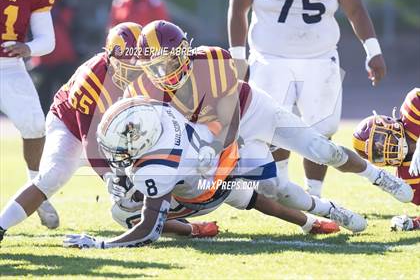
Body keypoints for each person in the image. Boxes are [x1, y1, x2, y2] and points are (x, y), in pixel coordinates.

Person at [126, 20, 412, 231]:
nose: (164, 72)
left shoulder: (212, 60)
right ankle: (330, 210)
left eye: (169, 61)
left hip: (253, 111)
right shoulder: (152, 94)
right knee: (276, 190)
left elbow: (232, 118)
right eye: (156, 66)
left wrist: (212, 151)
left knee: (323, 150)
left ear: (183, 52)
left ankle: (377, 176)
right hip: (220, 137)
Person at [0, 22, 220, 242]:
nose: (132, 74)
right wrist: (109, 176)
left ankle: (189, 226)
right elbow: (90, 139)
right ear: (109, 57)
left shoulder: (152, 71)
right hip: (71, 127)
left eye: (138, 66)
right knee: (53, 175)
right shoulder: (91, 78)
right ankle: (2, 225)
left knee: (131, 203)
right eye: (125, 67)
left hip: (122, 135)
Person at [62, 97, 356, 249]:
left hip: (208, 190)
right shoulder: (159, 113)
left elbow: (147, 232)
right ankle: (314, 220)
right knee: (257, 196)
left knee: (122, 212)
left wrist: (101, 243)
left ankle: (195, 229)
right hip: (224, 161)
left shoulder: (156, 167)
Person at [227, 0, 387, 198]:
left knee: (323, 129)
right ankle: (281, 188)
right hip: (270, 57)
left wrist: (373, 50)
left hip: (320, 57)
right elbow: (238, 8)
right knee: (273, 125)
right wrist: (238, 58)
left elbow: (356, 9)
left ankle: (315, 193)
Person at [0, 0, 58, 228]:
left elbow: (48, 39)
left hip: (8, 66)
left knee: (35, 125)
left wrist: (29, 48)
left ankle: (36, 190)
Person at [353, 88, 420, 231]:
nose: (385, 148)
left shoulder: (413, 106)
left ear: (387, 124)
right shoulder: (407, 180)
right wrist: (415, 223)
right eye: (378, 152)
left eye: (380, 140)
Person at [31, 0, 78, 114]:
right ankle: (42, 128)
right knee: (42, 99)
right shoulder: (36, 6)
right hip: (43, 60)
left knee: (69, 97)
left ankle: (71, 125)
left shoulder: (66, 6)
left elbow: (76, 29)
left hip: (65, 58)